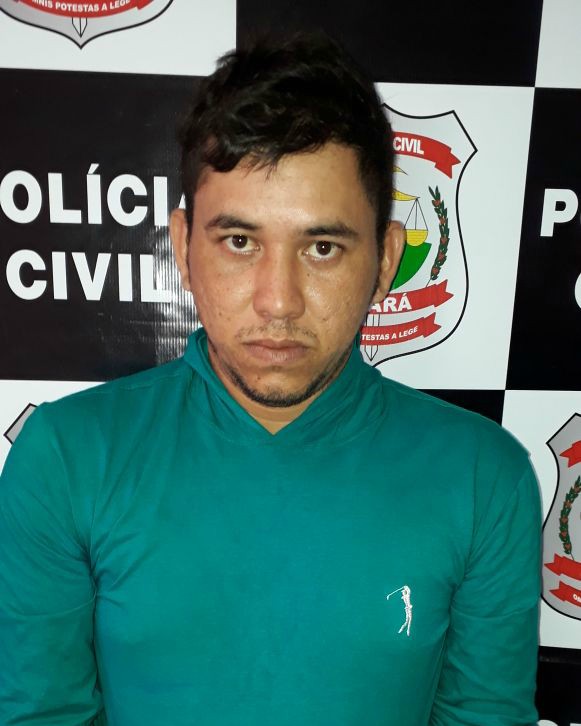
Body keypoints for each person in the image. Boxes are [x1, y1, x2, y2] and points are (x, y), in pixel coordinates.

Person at [0, 33, 541, 725]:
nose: (278, 302)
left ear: (384, 261)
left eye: (322, 247)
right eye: (239, 242)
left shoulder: (483, 477)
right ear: (182, 248)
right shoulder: (66, 458)